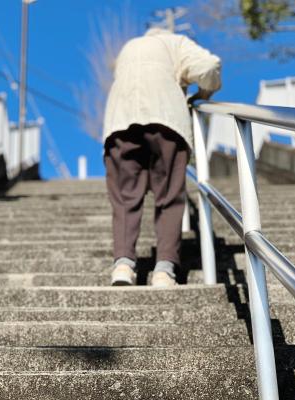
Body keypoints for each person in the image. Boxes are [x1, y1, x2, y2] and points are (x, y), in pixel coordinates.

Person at [103, 28, 222, 288]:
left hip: (120, 120)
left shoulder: (129, 46)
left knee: (125, 198)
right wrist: (203, 95)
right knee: (168, 196)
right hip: (166, 117)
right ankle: (164, 270)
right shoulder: (176, 42)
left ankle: (123, 266)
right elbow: (209, 65)